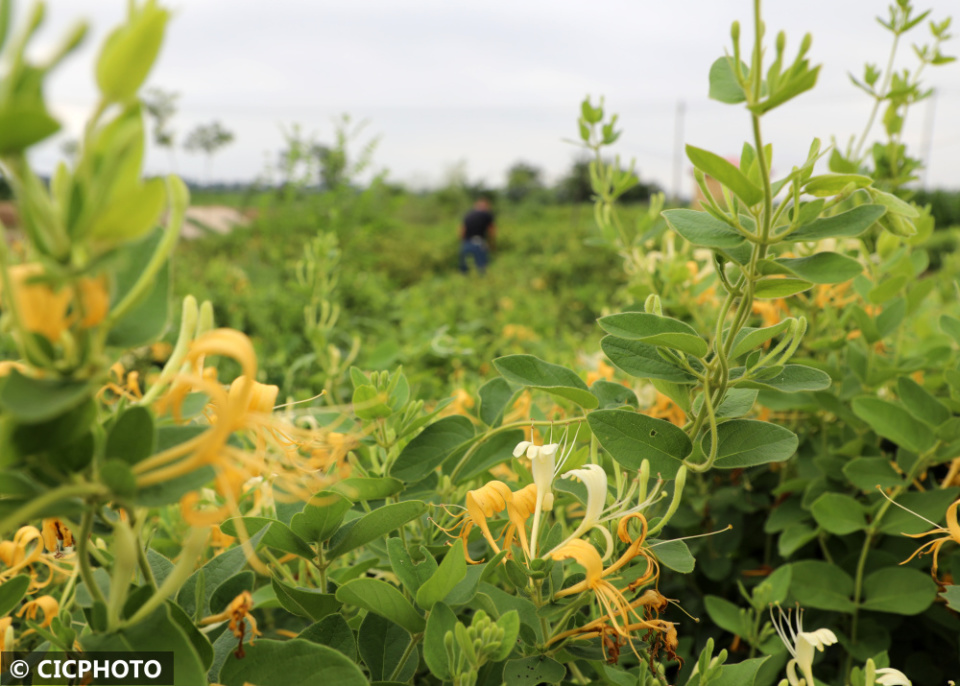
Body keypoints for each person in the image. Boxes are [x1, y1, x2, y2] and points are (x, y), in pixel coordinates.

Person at [459, 197, 496, 275]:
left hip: (466, 244)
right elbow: (491, 231)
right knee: (482, 269)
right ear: (486, 206)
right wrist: (492, 244)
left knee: (465, 270)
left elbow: (462, 231)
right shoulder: (486, 215)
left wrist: (463, 243)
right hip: (479, 243)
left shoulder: (468, 215)